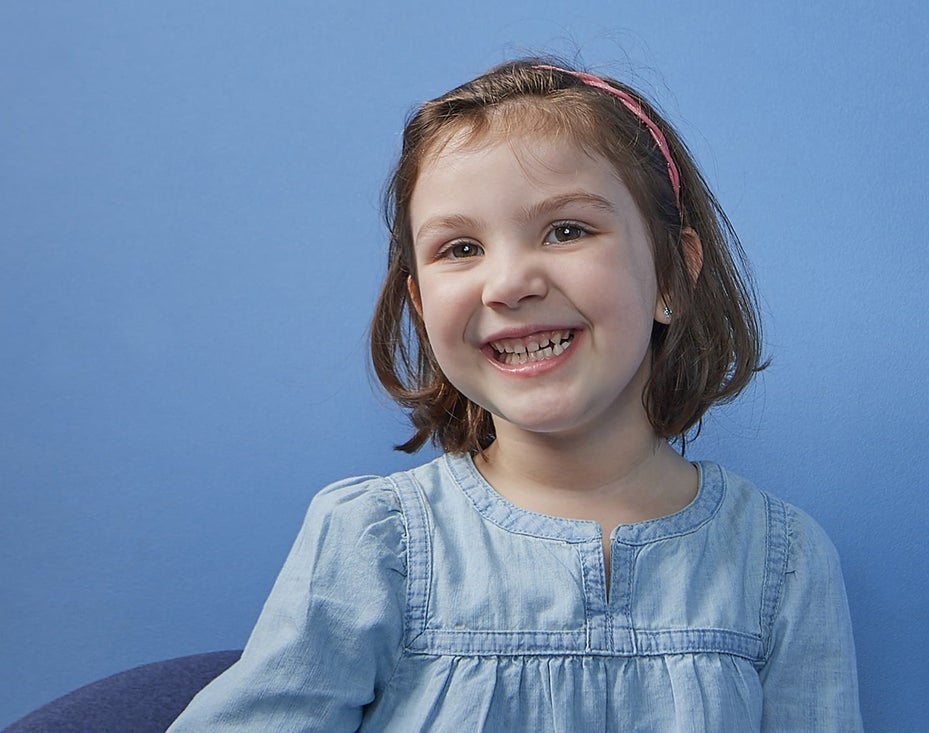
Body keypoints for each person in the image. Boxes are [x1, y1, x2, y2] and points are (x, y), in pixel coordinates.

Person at [169, 57, 862, 731]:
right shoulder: (377, 541)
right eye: (460, 249)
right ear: (419, 302)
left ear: (673, 277)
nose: (507, 284)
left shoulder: (783, 559)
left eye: (566, 230)